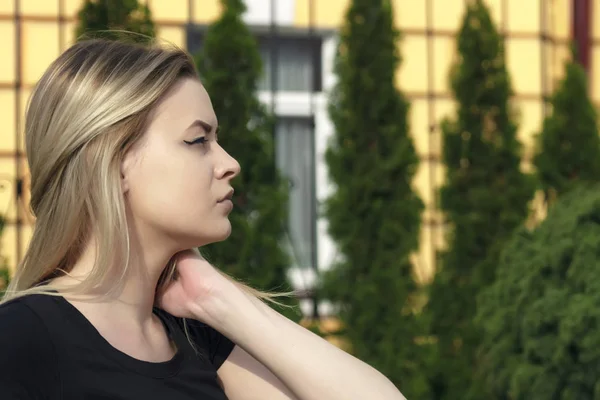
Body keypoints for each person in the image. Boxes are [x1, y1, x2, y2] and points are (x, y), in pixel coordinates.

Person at [0, 38, 406, 400]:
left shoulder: (198, 338)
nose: (230, 163)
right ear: (112, 162)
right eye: (198, 141)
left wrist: (219, 299)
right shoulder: (20, 339)